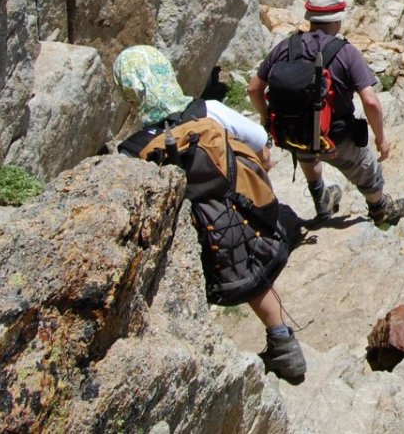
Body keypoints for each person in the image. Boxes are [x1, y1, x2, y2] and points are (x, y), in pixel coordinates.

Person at [113, 45, 306, 384]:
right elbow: (262, 146)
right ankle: (284, 345)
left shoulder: (131, 151)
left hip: (186, 244)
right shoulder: (208, 111)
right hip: (237, 219)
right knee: (254, 276)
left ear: (130, 92)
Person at [248, 0, 404, 227]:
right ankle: (380, 209)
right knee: (368, 170)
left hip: (292, 134)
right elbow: (371, 101)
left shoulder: (286, 47)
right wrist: (381, 139)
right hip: (337, 138)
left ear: (310, 17)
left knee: (307, 148)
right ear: (338, 18)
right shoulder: (345, 52)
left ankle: (321, 200)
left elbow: (253, 89)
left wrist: (265, 120)